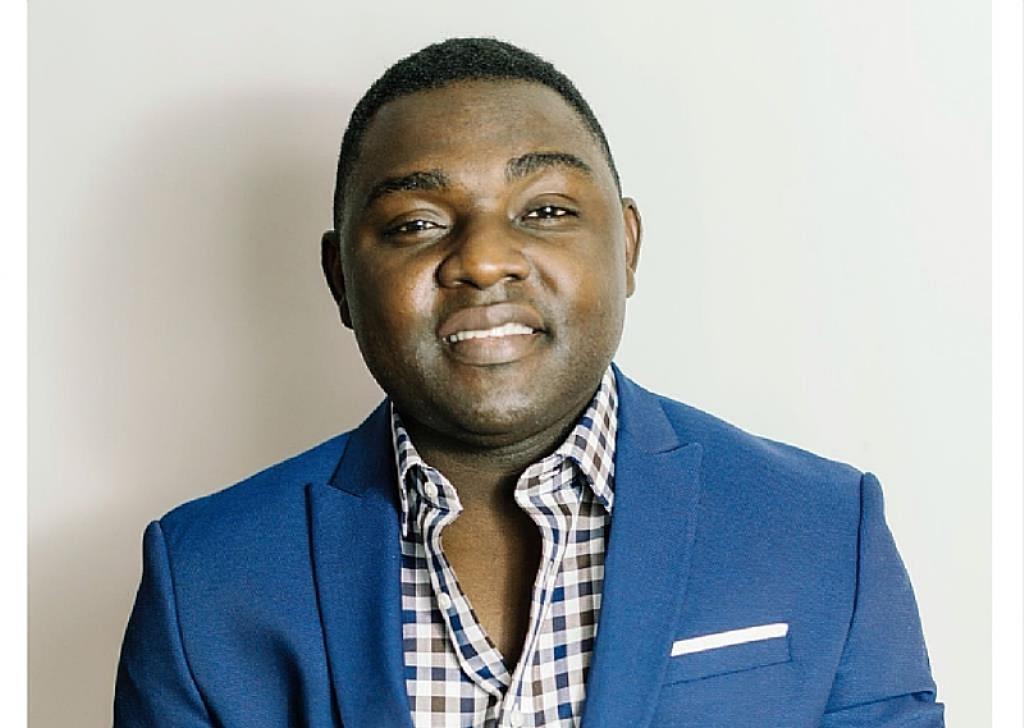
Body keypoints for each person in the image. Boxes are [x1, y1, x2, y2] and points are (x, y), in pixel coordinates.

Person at [114, 37, 944, 727]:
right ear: (340, 280)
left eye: (545, 210)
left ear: (627, 246)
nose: (483, 260)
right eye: (416, 223)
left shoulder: (824, 530)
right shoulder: (206, 576)